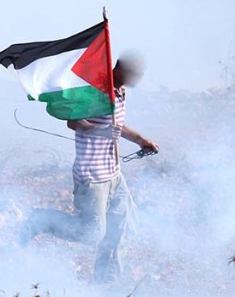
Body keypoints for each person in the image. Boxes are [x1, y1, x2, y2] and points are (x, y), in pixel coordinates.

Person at [20, 56, 159, 283]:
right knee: (91, 232)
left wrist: (141, 140)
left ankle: (108, 282)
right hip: (92, 175)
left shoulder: (121, 92)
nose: (134, 80)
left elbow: (116, 125)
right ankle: (41, 220)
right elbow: (74, 122)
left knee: (123, 225)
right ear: (118, 70)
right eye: (131, 75)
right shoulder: (94, 90)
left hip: (113, 172)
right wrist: (101, 132)